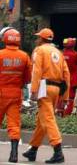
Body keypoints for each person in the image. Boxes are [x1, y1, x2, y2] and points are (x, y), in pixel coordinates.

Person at [23, 28, 70, 164]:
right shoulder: (59, 53)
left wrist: (34, 90)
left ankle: (58, 151)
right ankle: (33, 150)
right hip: (56, 89)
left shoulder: (39, 51)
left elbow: (36, 71)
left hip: (44, 87)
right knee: (42, 119)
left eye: (38, 37)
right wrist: (65, 96)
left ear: (42, 39)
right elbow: (66, 74)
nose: (37, 39)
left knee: (47, 118)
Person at [0, 28, 31, 162]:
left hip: (1, 93)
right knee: (14, 124)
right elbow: (28, 78)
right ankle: (14, 154)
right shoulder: (24, 56)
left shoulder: (0, 54)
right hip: (15, 94)